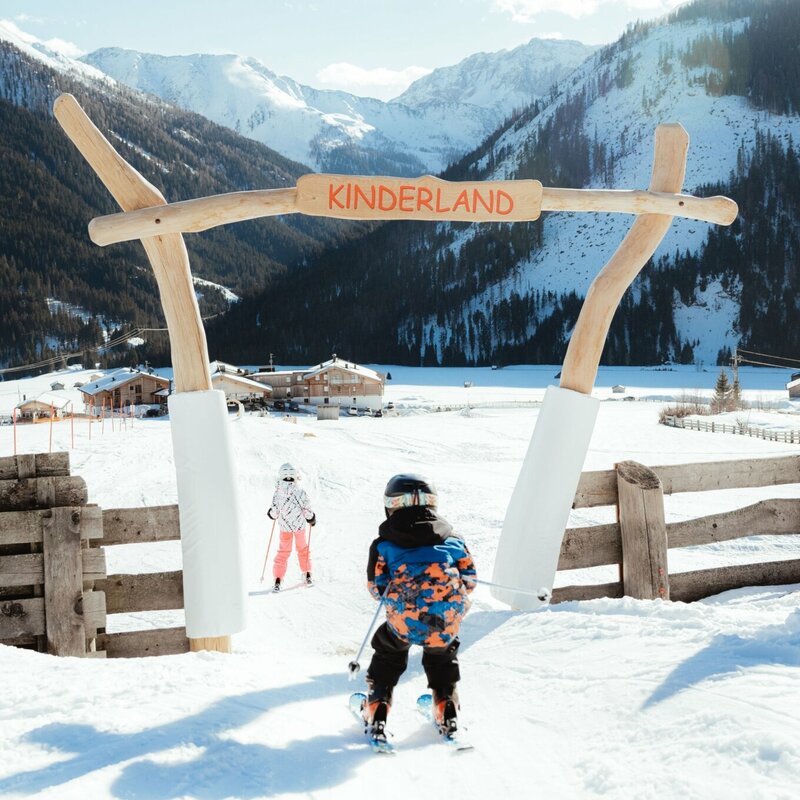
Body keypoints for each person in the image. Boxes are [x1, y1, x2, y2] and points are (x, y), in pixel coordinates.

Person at [361, 473, 476, 739]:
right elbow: (469, 581)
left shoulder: (384, 545)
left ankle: (378, 707)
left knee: (388, 650)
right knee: (442, 651)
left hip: (404, 619)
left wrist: (398, 595)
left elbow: (376, 588)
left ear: (391, 505)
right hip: (445, 618)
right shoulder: (453, 540)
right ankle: (446, 706)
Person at [267, 462, 317, 591]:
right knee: (303, 549)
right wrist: (311, 519)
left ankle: (278, 579)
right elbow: (307, 510)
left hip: (285, 529)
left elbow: (274, 513)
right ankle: (307, 574)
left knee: (283, 552)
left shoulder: (278, 493)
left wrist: (271, 514)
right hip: (299, 527)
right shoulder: (300, 492)